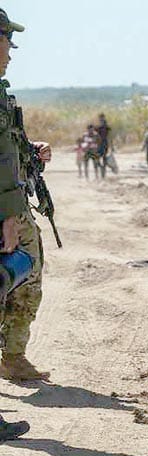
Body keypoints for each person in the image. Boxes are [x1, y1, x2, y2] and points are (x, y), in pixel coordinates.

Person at [0, 7, 52, 381]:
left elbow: (6, 150)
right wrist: (7, 217)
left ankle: (13, 355)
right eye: (7, 41)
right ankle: (12, 354)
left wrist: (30, 151)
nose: (11, 51)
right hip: (6, 208)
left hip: (12, 204)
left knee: (24, 273)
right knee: (19, 271)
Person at [96, 113, 112, 178]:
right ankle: (102, 169)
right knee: (97, 159)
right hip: (99, 144)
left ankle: (103, 173)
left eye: (102, 118)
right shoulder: (98, 127)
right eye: (100, 118)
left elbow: (110, 136)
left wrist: (112, 146)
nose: (101, 119)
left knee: (104, 158)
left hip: (104, 144)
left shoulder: (106, 127)